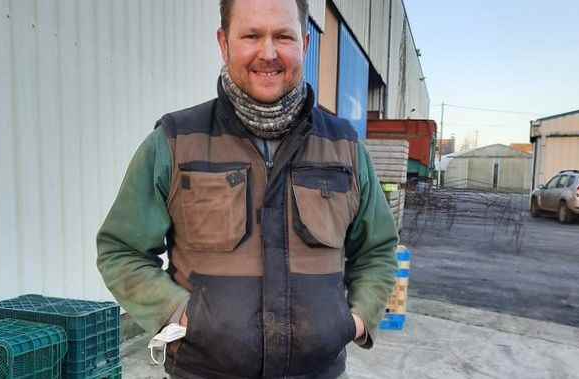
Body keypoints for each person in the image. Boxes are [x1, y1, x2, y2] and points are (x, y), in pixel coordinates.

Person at [96, 0, 397, 378]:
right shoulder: (174, 142)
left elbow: (378, 248)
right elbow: (120, 249)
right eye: (252, 35)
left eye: (283, 36)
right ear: (224, 44)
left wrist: (356, 318)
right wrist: (180, 314)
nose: (268, 53)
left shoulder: (345, 147)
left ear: (304, 44)